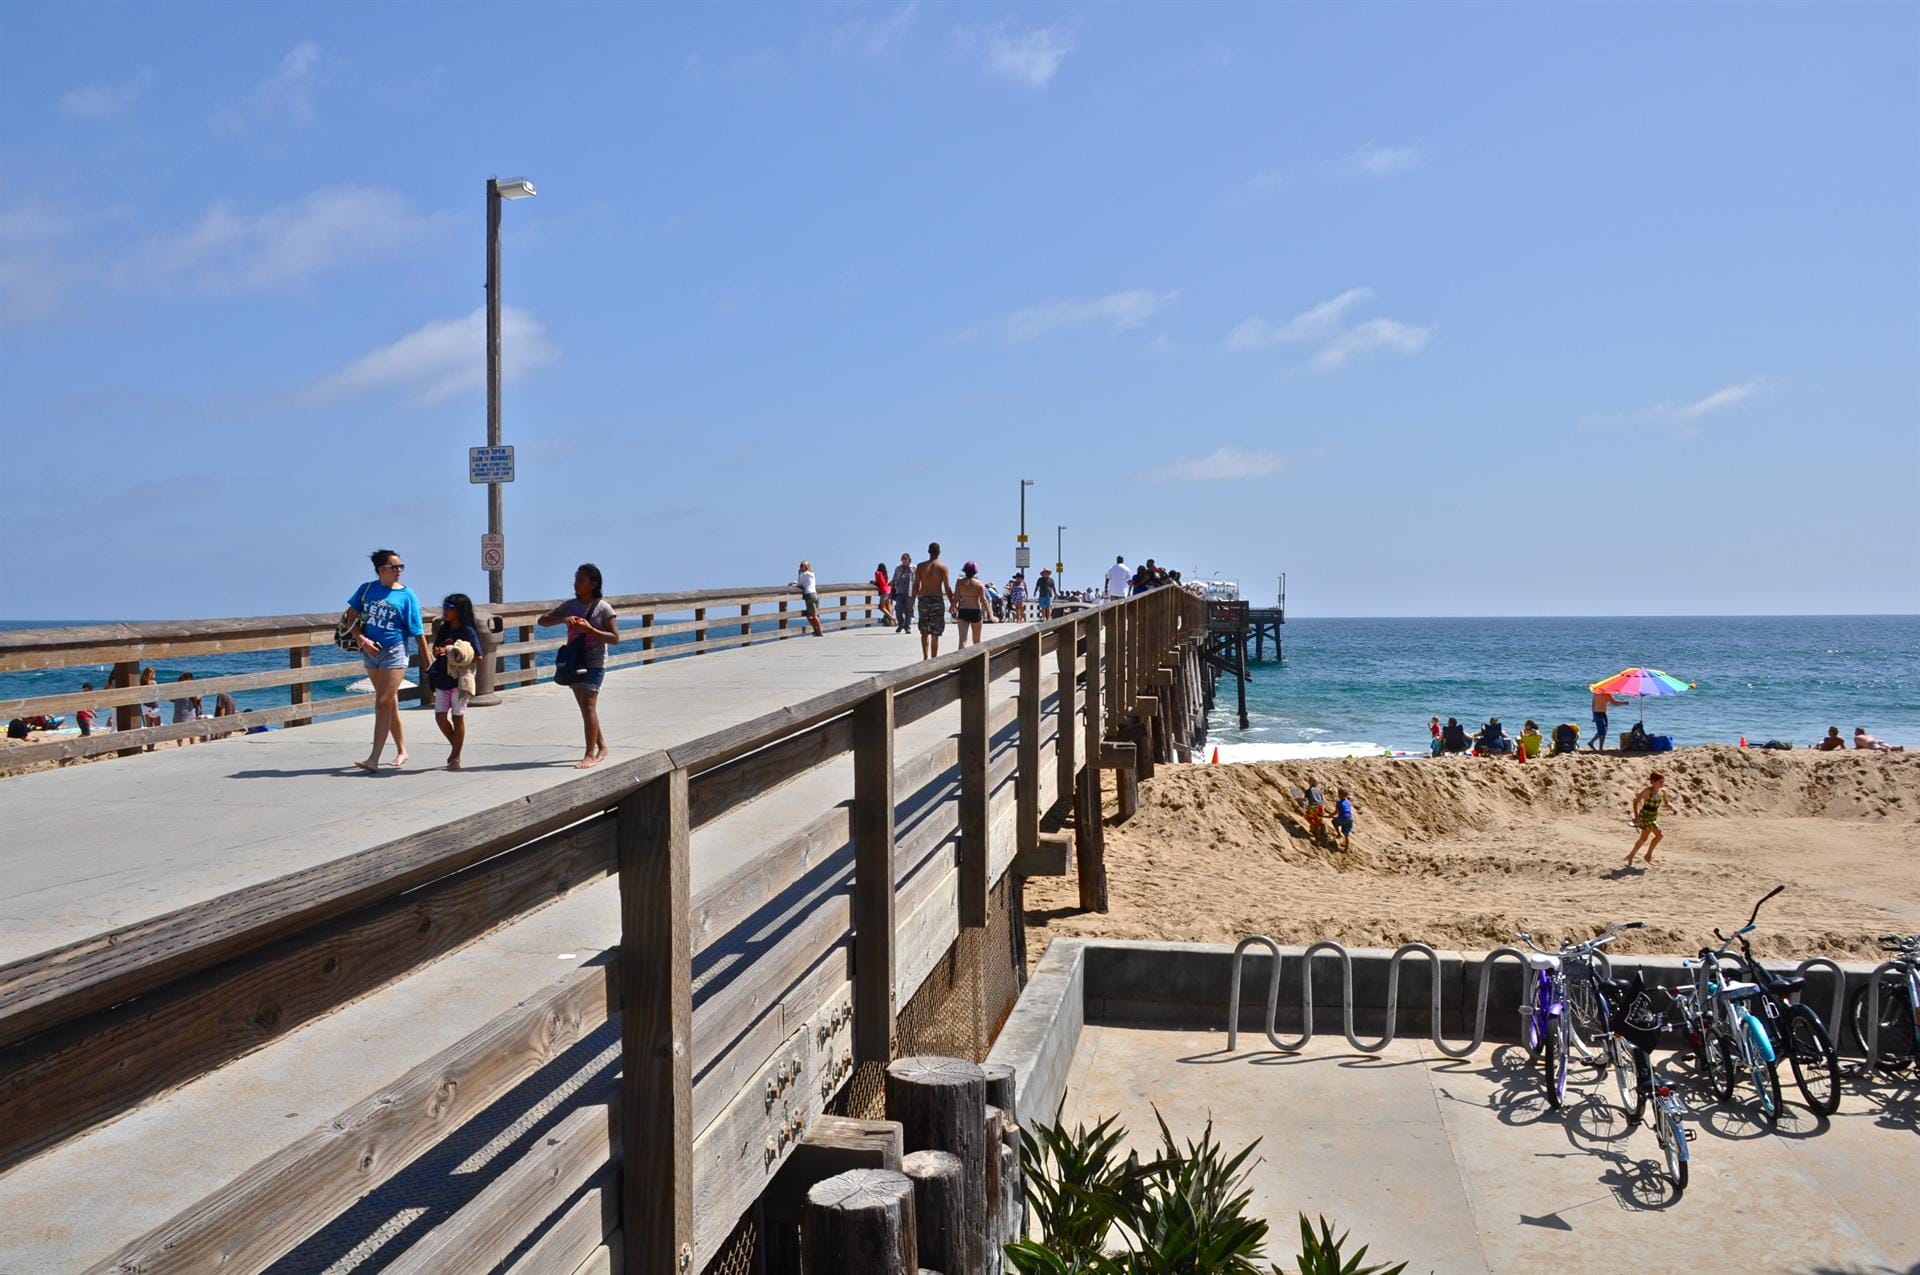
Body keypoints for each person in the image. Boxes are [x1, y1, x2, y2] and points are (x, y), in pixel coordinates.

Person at [346, 548, 429, 772]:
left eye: (401, 566)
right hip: (371, 652)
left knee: (382, 701)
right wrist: (362, 640)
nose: (399, 570)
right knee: (389, 703)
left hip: (395, 650)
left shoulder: (407, 594)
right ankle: (402, 750)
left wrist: (428, 660)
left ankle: (373, 758)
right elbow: (350, 618)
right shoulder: (367, 589)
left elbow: (417, 630)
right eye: (394, 567)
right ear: (381, 570)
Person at [539, 564, 619, 768]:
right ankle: (602, 747)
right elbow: (542, 621)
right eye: (576, 578)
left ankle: (590, 754)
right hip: (574, 662)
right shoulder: (570, 605)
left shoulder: (603, 608)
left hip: (594, 662)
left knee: (589, 706)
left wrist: (590, 629)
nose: (576, 583)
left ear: (593, 584)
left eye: (581, 579)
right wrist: (562, 619)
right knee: (585, 708)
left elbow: (615, 638)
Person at [428, 593, 482, 770]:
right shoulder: (444, 629)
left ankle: (456, 757)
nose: (445, 610)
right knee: (440, 717)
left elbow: (478, 656)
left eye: (449, 608)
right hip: (443, 678)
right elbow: (437, 649)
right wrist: (438, 652)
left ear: (459, 610)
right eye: (443, 606)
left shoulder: (468, 631)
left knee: (458, 717)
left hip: (460, 681)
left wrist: (455, 653)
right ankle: (456, 746)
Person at [912, 542, 953, 660]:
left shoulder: (920, 566)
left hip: (923, 600)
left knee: (924, 631)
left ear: (928, 552)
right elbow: (947, 588)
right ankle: (934, 659)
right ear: (939, 552)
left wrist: (911, 602)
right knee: (935, 633)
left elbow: (916, 586)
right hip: (936, 600)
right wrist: (952, 603)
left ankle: (925, 658)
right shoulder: (943, 567)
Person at [1625, 771, 1670, 867]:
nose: (1662, 784)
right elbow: (1636, 801)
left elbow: (1667, 803)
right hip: (1645, 816)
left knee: (1643, 838)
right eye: (1660, 782)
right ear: (1653, 782)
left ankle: (1631, 855)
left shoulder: (1663, 792)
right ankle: (1648, 855)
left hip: (1653, 817)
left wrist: (1672, 807)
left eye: (1663, 781)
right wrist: (1636, 816)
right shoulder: (1648, 791)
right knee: (1659, 835)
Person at [953, 561, 989, 650]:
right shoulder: (979, 584)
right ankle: (977, 662)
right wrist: (991, 615)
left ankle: (961, 662)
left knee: (962, 641)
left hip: (963, 611)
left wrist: (952, 607)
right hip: (975, 611)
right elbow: (984, 600)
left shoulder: (959, 583)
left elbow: (956, 598)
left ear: (964, 571)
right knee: (977, 641)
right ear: (975, 572)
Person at [788, 560, 824, 637]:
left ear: (806, 567)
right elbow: (803, 582)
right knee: (813, 615)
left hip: (809, 595)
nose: (800, 567)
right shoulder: (812, 573)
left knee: (812, 616)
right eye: (800, 566)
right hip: (814, 594)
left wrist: (793, 583)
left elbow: (800, 584)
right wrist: (797, 579)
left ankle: (819, 631)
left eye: (802, 566)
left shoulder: (804, 574)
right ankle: (816, 631)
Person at [1591, 687, 1630, 751]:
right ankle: (1600, 748)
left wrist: (1593, 716)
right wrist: (1624, 703)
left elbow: (1593, 705)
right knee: (1603, 732)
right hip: (1601, 714)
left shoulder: (1595, 693)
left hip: (1596, 713)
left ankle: (1591, 742)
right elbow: (1614, 703)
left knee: (1601, 731)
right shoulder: (1606, 694)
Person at [171, 672, 202, 745]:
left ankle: (187, 746)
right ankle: (185, 746)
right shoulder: (181, 688)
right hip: (183, 712)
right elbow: (171, 698)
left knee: (187, 732)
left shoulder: (179, 687)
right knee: (184, 732)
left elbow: (197, 697)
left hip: (184, 712)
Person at [890, 553, 914, 634]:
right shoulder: (898, 568)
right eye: (903, 558)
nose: (904, 560)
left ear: (909, 559)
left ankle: (907, 627)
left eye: (905, 558)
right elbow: (894, 579)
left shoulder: (914, 568)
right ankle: (901, 623)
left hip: (909, 593)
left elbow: (918, 580)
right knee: (898, 609)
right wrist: (891, 588)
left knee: (908, 610)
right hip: (899, 592)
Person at [139, 667, 161, 750]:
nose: (155, 675)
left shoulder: (142, 683)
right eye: (154, 673)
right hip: (154, 707)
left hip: (145, 707)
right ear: (150, 674)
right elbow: (156, 693)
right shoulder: (153, 682)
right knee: (157, 728)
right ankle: (152, 746)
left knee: (149, 727)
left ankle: (149, 747)